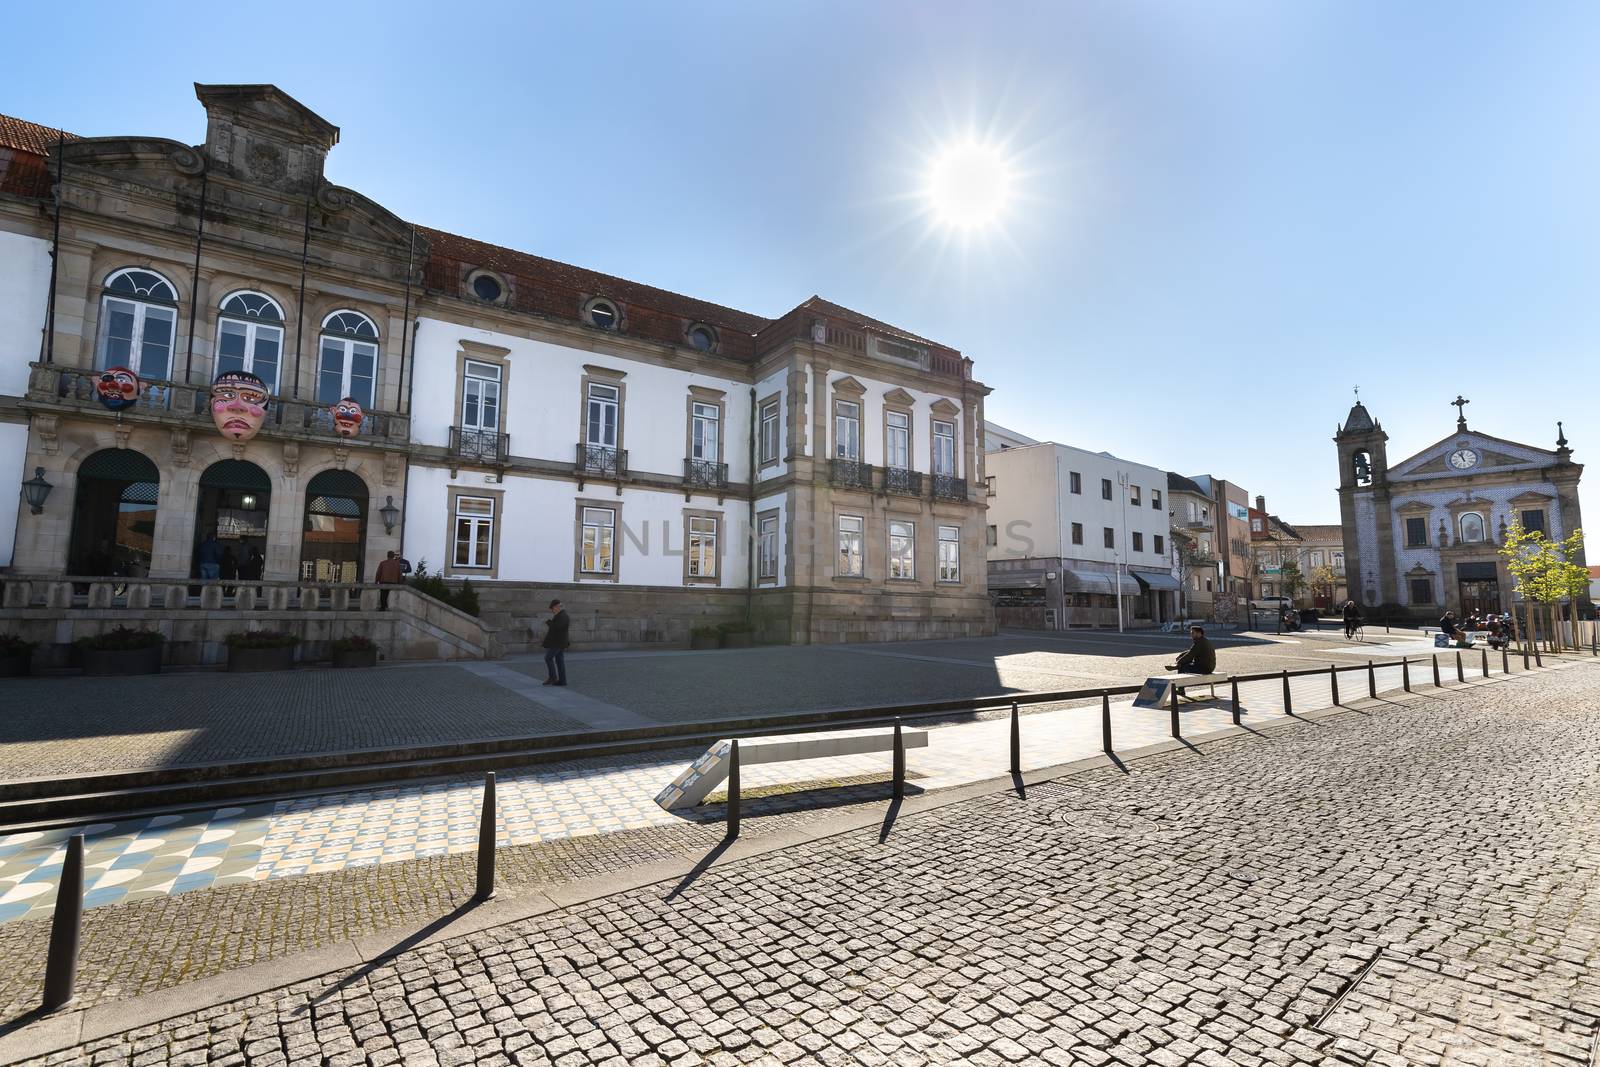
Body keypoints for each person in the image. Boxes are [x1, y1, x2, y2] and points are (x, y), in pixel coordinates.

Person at [542, 599, 571, 686]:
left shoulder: (562, 615)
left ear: (557, 607)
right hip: (559, 642)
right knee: (559, 661)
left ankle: (553, 677)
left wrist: (549, 622)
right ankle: (562, 681)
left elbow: (557, 627)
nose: (553, 610)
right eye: (553, 609)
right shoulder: (560, 615)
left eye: (554, 608)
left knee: (548, 658)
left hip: (558, 643)